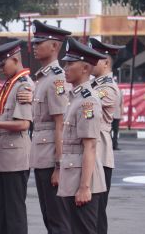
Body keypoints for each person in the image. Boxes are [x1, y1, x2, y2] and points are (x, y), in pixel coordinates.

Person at [26, 20, 72, 234]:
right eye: (34, 42)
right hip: (42, 156)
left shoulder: (56, 80)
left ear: (55, 46)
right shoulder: (43, 78)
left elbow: (61, 124)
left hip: (52, 158)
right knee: (49, 218)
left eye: (40, 42)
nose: (34, 46)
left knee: (58, 221)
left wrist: (59, 166)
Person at [57, 37, 107, 234]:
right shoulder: (75, 98)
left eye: (70, 63)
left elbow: (90, 146)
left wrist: (85, 187)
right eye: (65, 63)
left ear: (85, 68)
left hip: (84, 182)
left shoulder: (88, 102)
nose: (65, 68)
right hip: (73, 177)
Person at [0, 39, 34, 234]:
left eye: (2, 64)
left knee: (14, 213)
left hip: (16, 157)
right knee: (5, 211)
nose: (0, 68)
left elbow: (23, 124)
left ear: (15, 60)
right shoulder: (11, 84)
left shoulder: (22, 85)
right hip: (7, 157)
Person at [89, 37, 125, 234]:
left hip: (100, 157)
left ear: (105, 62)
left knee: (96, 213)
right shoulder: (94, 85)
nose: (89, 61)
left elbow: (79, 102)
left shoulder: (107, 89)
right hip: (90, 154)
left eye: (94, 57)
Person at [112, 86, 123, 150]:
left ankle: (114, 145)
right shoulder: (108, 90)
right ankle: (111, 145)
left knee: (115, 131)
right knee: (110, 131)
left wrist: (121, 114)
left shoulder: (120, 91)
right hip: (110, 115)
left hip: (115, 114)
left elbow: (121, 104)